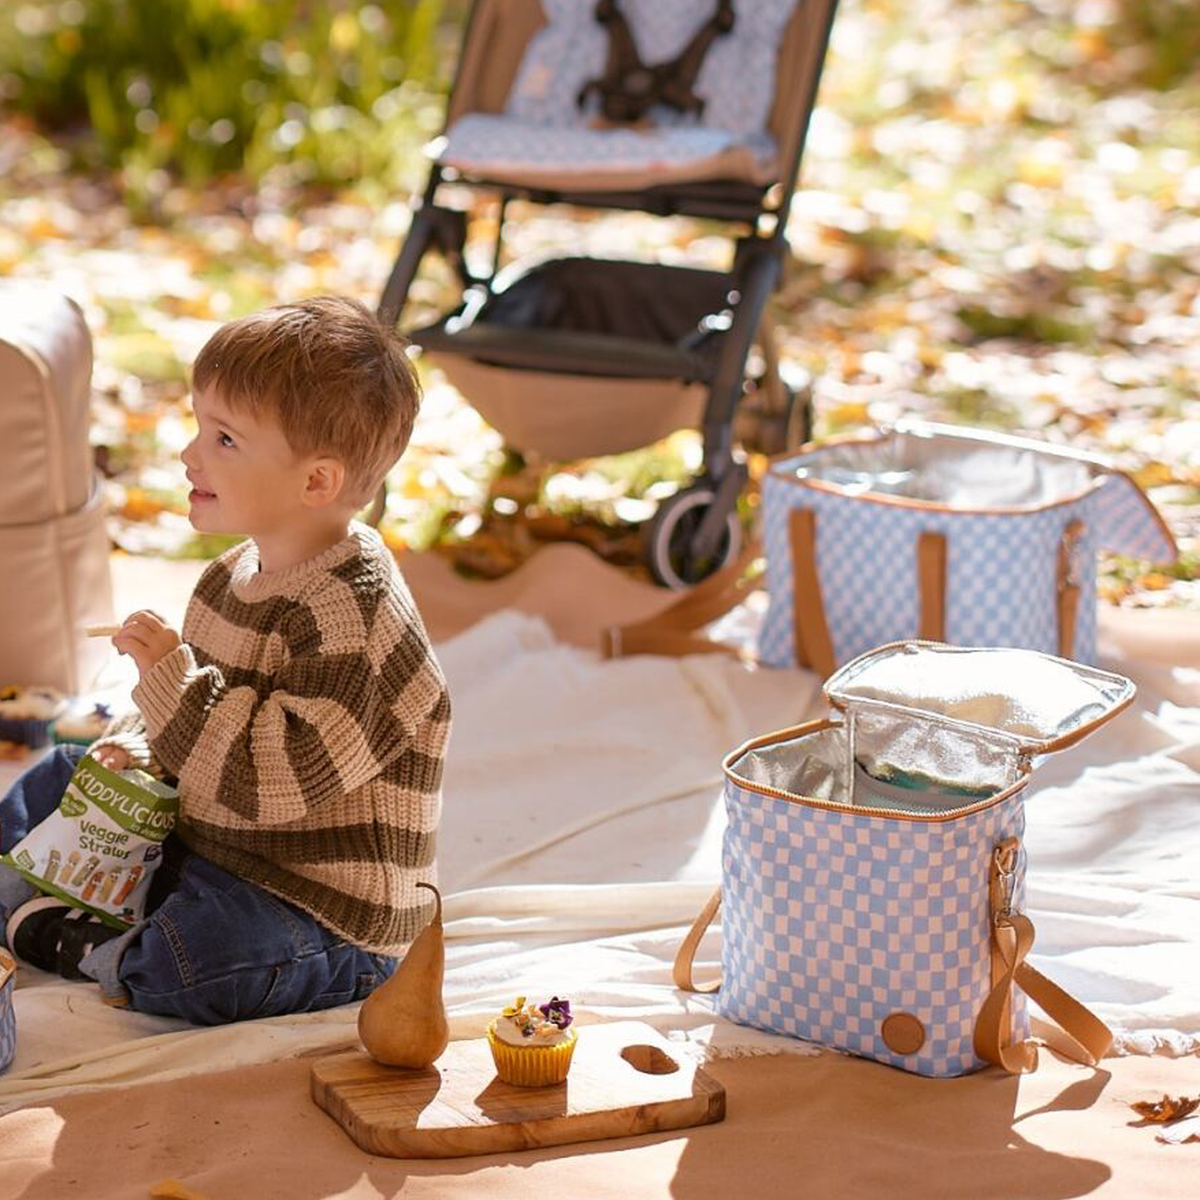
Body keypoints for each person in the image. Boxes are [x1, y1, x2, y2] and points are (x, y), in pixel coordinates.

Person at [0, 295, 451, 1024]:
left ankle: (95, 944)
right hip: (214, 843)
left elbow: (272, 779)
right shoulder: (227, 578)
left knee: (201, 957)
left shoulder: (355, 626)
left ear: (316, 483)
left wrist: (169, 685)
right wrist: (135, 747)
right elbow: (188, 732)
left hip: (315, 903)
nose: (189, 454)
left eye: (225, 440)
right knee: (61, 773)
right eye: (197, 426)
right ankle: (49, 894)